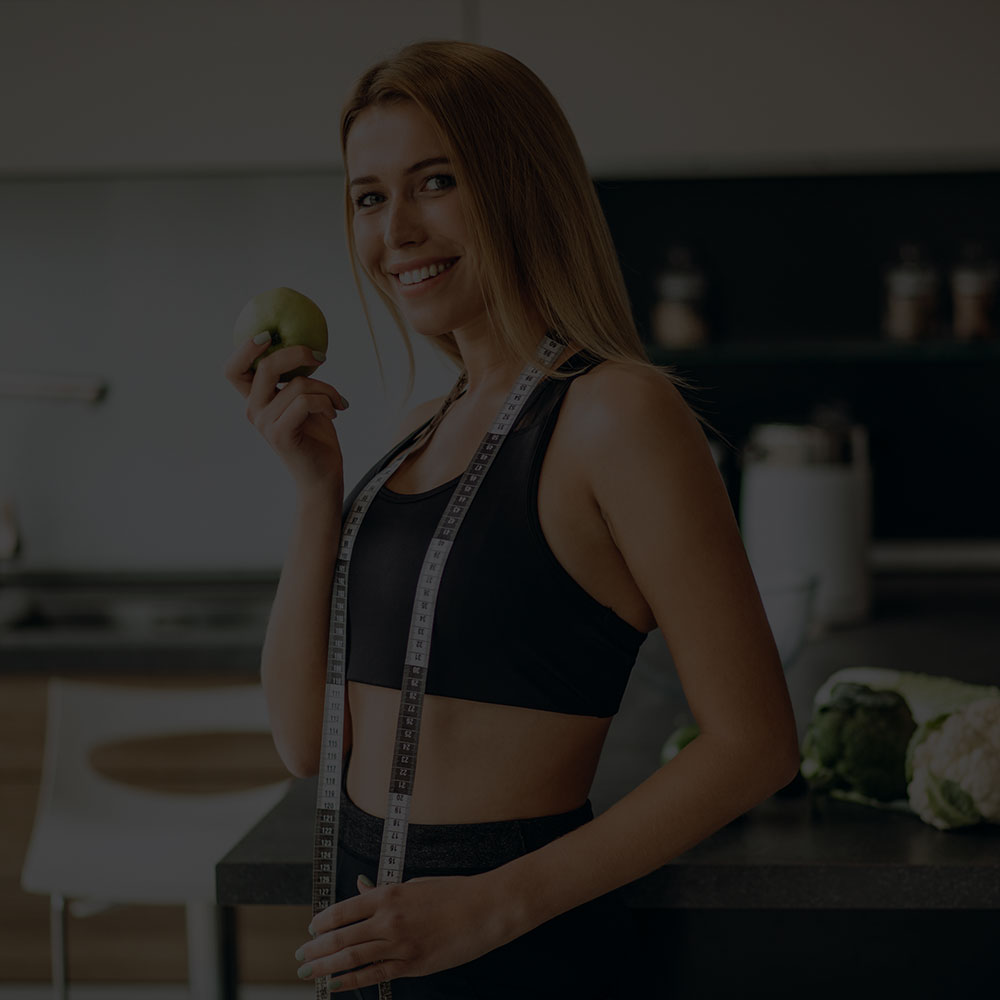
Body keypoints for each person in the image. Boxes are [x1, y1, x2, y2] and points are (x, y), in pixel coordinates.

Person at [223, 40, 800, 999]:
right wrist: (315, 489)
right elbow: (303, 740)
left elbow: (755, 746)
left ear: (520, 187)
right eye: (370, 196)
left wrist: (486, 908)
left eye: (435, 182)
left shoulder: (617, 413)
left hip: (521, 951)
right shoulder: (416, 432)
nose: (396, 229)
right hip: (377, 947)